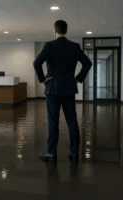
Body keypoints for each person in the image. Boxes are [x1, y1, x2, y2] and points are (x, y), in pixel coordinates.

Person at [33, 20, 92, 165]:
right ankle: (74, 152)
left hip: (52, 89)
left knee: (53, 122)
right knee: (72, 121)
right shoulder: (75, 46)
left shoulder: (49, 45)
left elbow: (36, 63)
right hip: (69, 89)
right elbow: (88, 63)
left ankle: (51, 153)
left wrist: (43, 79)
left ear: (55, 31)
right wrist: (77, 79)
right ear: (66, 30)